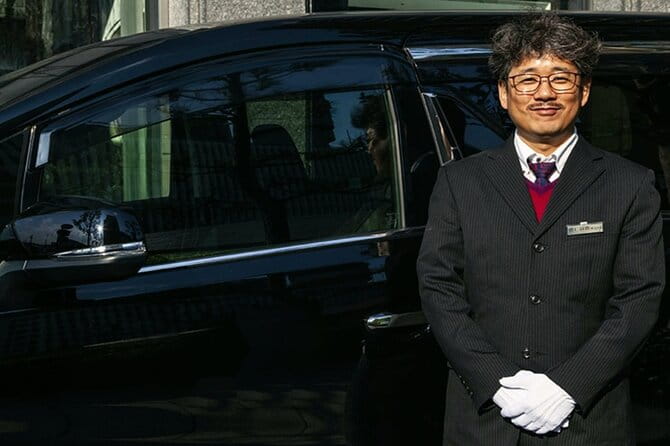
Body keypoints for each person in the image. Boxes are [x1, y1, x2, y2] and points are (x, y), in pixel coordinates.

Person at [417, 13, 665, 446]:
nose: (544, 93)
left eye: (561, 79)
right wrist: (496, 382)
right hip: (485, 419)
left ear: (584, 91)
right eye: (527, 79)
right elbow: (439, 287)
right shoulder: (460, 182)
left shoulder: (629, 184)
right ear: (503, 92)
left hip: (587, 420)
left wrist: (568, 387)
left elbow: (639, 297)